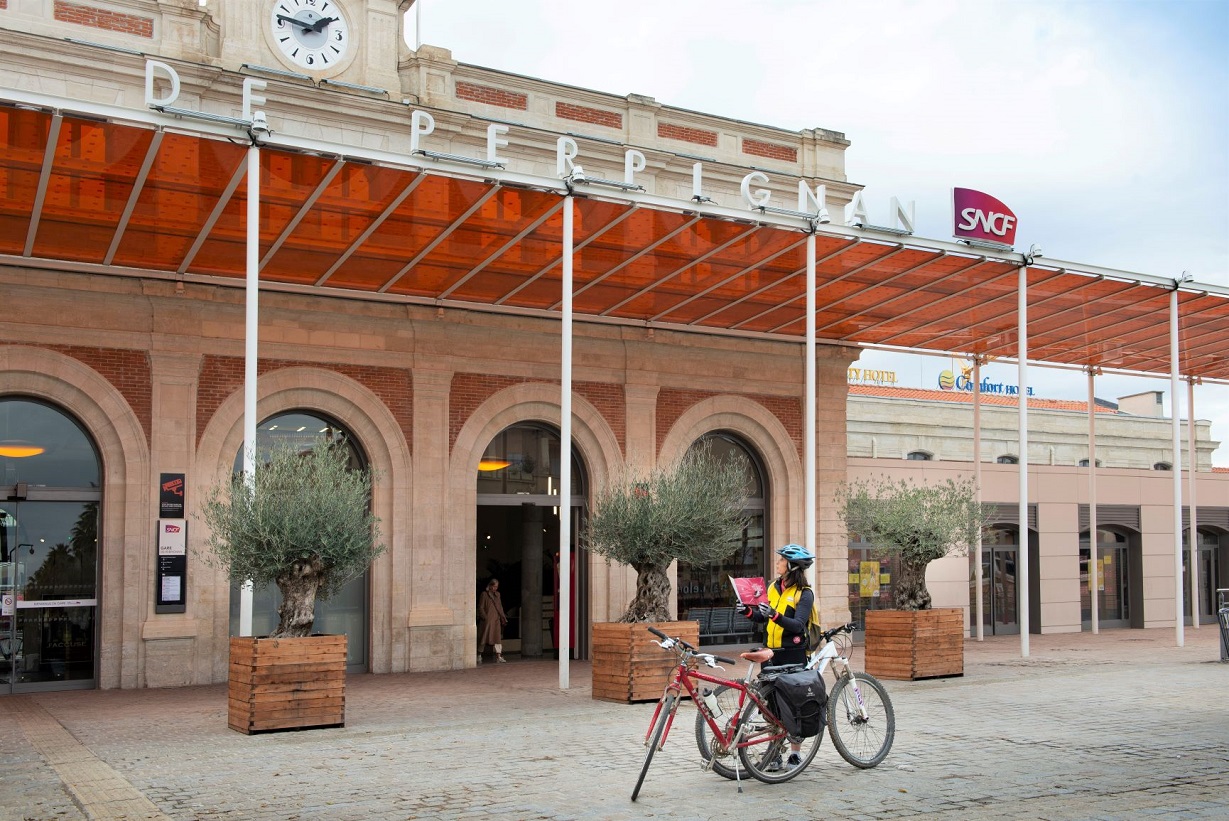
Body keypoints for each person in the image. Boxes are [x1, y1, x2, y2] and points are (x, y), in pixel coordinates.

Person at [737, 543, 816, 769]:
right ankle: (775, 752)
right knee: (771, 707)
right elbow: (763, 617)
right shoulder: (773, 587)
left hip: (793, 654)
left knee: (794, 706)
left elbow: (797, 625)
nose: (778, 563)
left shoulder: (804, 594)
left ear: (791, 566)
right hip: (771, 653)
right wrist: (749, 612)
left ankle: (795, 753)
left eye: (781, 560)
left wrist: (774, 615)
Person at [477, 577, 509, 664]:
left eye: (497, 586)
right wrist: (485, 617)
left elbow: (500, 607)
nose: (495, 588)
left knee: (497, 638)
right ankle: (479, 655)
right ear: (490, 586)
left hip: (496, 620)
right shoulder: (484, 594)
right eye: (494, 586)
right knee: (483, 638)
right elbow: (481, 607)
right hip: (487, 621)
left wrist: (503, 617)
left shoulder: (498, 594)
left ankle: (499, 656)